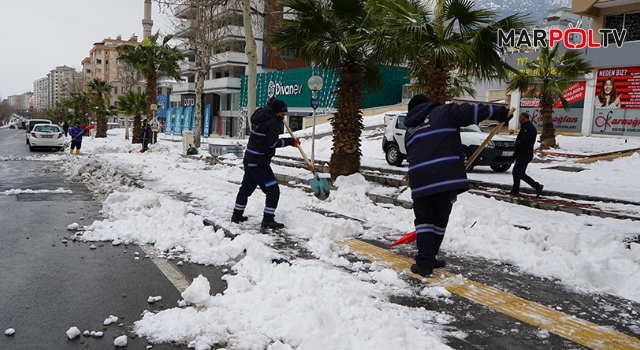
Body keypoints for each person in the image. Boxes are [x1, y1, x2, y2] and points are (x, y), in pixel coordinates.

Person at [404, 94, 510, 277]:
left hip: (420, 181)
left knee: (424, 221)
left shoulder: (410, 130)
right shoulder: (443, 112)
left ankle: (426, 261)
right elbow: (470, 111)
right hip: (445, 178)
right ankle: (427, 259)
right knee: (439, 220)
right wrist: (501, 112)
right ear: (428, 104)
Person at [231, 99, 300, 229]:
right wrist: (291, 142)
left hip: (250, 158)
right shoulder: (272, 122)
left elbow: (269, 109)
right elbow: (272, 143)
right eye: (282, 114)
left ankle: (236, 215)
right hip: (259, 162)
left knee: (246, 189)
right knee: (273, 191)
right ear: (277, 112)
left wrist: (270, 104)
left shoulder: (261, 114)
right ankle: (268, 220)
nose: (283, 117)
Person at [509, 112, 544, 197]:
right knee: (515, 172)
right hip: (524, 154)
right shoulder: (529, 127)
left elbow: (523, 142)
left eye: (519, 118)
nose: (518, 120)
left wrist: (517, 151)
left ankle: (537, 186)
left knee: (520, 173)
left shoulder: (526, 128)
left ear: (523, 118)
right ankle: (515, 189)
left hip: (524, 154)